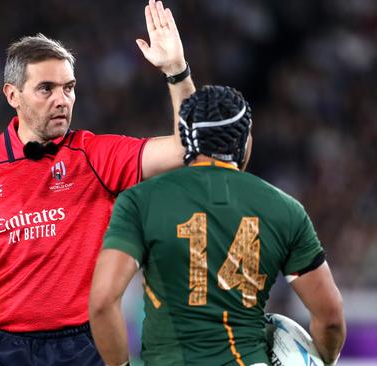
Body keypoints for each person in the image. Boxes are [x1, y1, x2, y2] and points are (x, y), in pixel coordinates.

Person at [0, 1, 196, 365]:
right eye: (46, 89)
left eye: (69, 87)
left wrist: (176, 71)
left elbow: (186, 147)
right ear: (12, 95)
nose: (62, 100)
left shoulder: (97, 155)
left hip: (82, 346)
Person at [89, 85, 346, 365]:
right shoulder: (286, 209)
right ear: (244, 139)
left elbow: (102, 302)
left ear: (186, 139)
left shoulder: (140, 200)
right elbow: (330, 318)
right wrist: (324, 360)